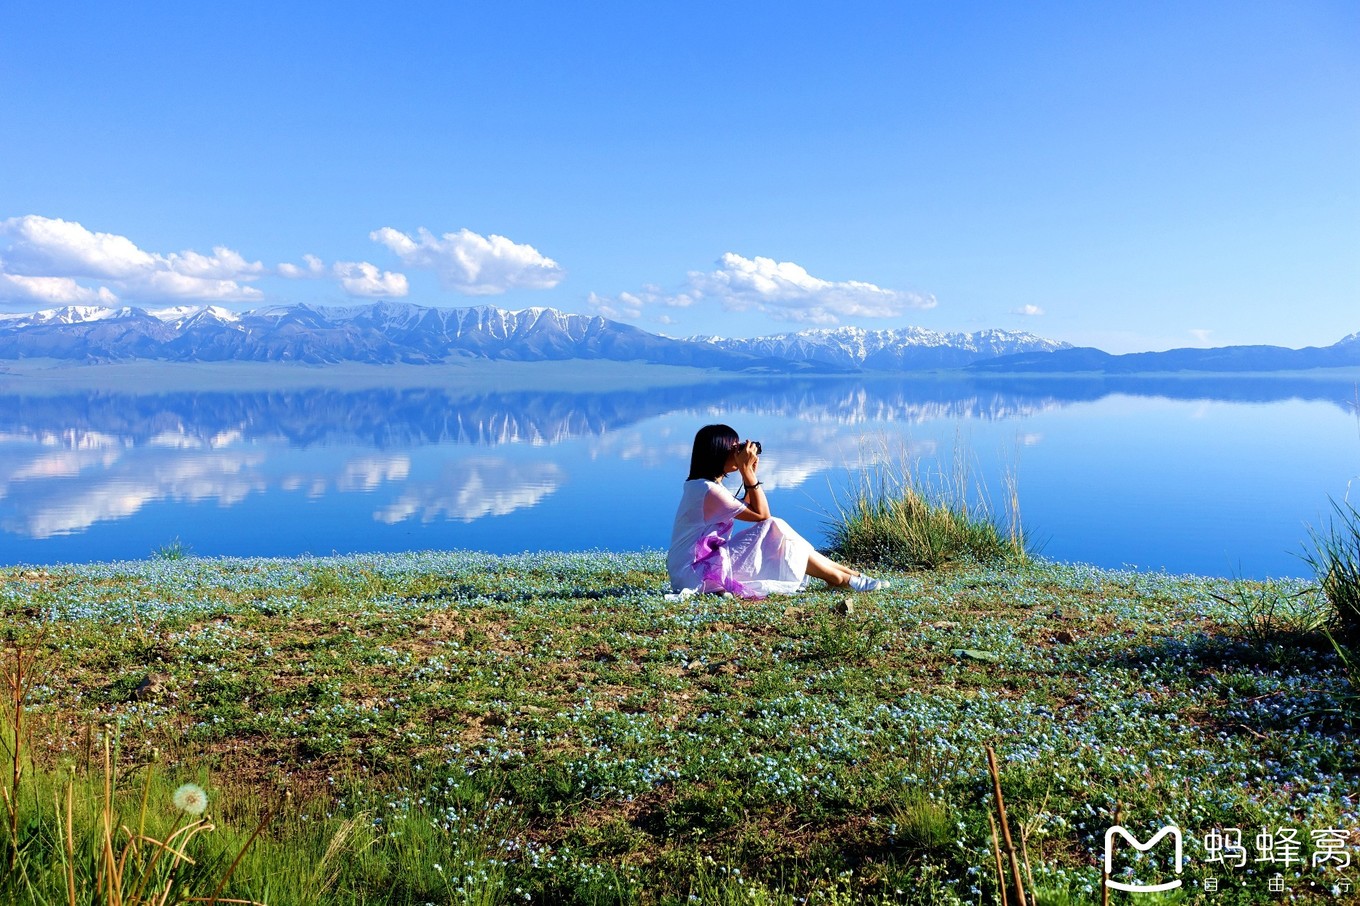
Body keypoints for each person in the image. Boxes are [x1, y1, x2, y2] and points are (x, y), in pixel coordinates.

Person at [667, 423, 890, 597]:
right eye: (733, 448)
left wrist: (750, 472)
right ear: (716, 453)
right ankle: (841, 578)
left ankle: (846, 575)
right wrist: (748, 474)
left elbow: (751, 507)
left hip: (697, 567)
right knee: (774, 525)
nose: (739, 452)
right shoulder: (707, 490)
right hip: (696, 573)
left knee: (776, 527)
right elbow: (761, 515)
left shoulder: (704, 486)